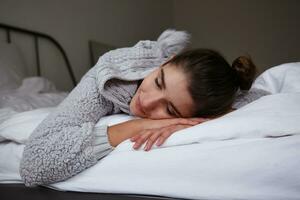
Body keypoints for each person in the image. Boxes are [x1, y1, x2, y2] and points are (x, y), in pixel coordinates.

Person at [19, 29, 260, 187]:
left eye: (171, 110)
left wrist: (211, 117)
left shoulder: (212, 96)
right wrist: (137, 125)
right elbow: (33, 165)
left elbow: (252, 99)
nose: (147, 101)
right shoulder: (106, 77)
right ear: (165, 62)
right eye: (158, 81)